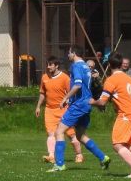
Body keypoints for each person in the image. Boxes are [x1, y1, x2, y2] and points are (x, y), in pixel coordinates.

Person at [46, 45, 110, 173]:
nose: (68, 55)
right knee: (80, 135)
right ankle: (103, 158)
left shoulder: (76, 66)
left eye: (69, 53)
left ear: (74, 53)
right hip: (86, 104)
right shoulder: (86, 67)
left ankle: (59, 165)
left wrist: (65, 98)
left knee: (59, 132)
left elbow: (78, 85)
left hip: (78, 105)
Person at [91, 52, 131, 178]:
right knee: (124, 144)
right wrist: (129, 103)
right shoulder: (128, 78)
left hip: (126, 115)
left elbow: (102, 101)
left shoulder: (111, 80)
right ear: (121, 65)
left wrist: (91, 101)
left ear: (109, 64)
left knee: (117, 145)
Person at [35, 57, 84, 164]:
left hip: (63, 109)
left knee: (71, 134)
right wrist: (38, 106)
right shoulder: (44, 77)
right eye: (47, 64)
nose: (48, 67)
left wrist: (69, 104)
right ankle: (51, 156)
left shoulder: (65, 78)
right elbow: (42, 93)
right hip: (49, 110)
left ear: (56, 66)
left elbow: (71, 92)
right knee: (51, 133)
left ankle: (79, 154)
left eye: (51, 64)